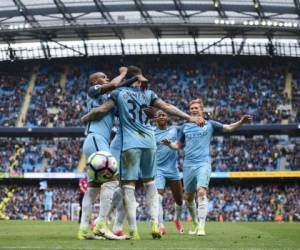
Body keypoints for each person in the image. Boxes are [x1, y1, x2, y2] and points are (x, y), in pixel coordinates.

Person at [81, 65, 204, 240]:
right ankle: (155, 222)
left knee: (127, 187)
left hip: (130, 144)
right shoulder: (149, 94)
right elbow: (167, 107)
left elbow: (102, 109)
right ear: (139, 79)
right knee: (150, 185)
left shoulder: (118, 93)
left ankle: (133, 230)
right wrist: (190, 118)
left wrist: (86, 117)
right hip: (149, 141)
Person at [162, 98, 252, 236]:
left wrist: (241, 122)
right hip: (188, 165)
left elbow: (228, 128)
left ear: (201, 109)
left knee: (202, 191)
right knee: (188, 196)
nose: (193, 110)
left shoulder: (210, 124)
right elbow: (178, 146)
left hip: (203, 163)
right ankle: (195, 223)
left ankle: (201, 228)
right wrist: (169, 144)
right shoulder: (185, 127)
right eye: (191, 108)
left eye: (196, 108)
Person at [78, 67, 137, 240]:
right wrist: (125, 74)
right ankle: (102, 225)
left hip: (97, 141)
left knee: (92, 189)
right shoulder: (93, 92)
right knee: (112, 179)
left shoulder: (108, 99)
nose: (106, 78)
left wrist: (133, 80)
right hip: (96, 139)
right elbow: (113, 85)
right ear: (95, 82)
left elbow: (117, 89)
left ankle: (83, 230)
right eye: (103, 77)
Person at [154, 110, 184, 235]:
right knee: (158, 197)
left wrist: (203, 119)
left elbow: (189, 126)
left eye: (164, 115)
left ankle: (176, 219)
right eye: (159, 115)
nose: (161, 117)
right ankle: (161, 226)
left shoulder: (175, 130)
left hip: (173, 169)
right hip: (158, 169)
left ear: (167, 117)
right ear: (155, 118)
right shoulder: (151, 132)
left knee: (179, 200)